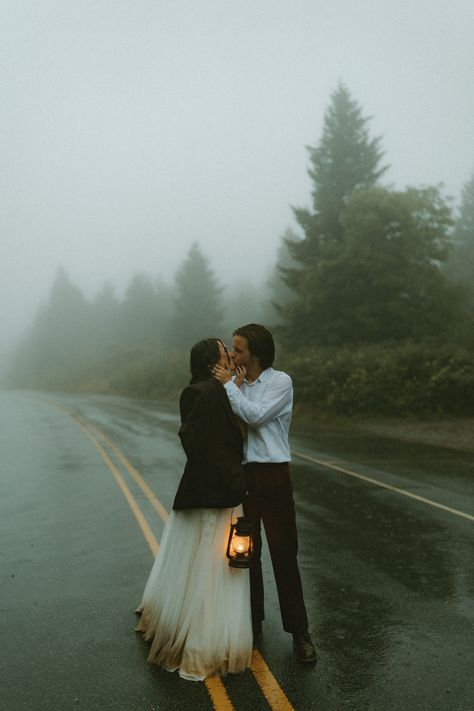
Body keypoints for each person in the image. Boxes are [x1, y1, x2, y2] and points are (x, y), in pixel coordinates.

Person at [135, 339, 253, 681]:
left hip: (225, 489)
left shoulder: (222, 390)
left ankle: (211, 631)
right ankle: (200, 641)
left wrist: (234, 388)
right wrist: (229, 477)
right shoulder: (199, 392)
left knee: (218, 566)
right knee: (207, 565)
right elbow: (197, 444)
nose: (230, 357)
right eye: (224, 352)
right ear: (210, 361)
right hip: (211, 493)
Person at [212, 324, 317, 664]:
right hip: (246, 478)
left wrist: (229, 385)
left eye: (238, 349)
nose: (231, 354)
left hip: (274, 476)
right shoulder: (239, 386)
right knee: (246, 556)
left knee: (284, 555)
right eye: (231, 348)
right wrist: (235, 386)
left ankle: (300, 634)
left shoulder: (279, 382)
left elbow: (256, 417)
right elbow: (231, 427)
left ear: (256, 352)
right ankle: (253, 628)